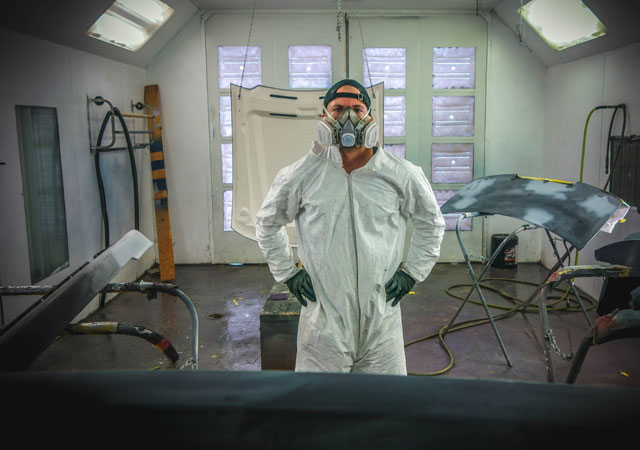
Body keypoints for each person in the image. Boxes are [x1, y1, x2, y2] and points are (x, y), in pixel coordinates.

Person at [255, 79, 445, 375]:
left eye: (357, 108)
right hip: (324, 326)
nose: (348, 117)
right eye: (338, 109)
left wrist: (412, 272)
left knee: (388, 399)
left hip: (381, 322)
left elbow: (431, 223)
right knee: (322, 401)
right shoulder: (301, 175)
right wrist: (288, 273)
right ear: (324, 118)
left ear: (370, 117)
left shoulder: (400, 174)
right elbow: (267, 223)